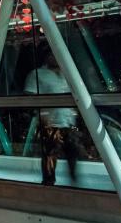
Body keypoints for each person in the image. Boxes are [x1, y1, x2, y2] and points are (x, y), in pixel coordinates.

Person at [24, 52, 83, 186]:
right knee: (50, 154)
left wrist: (74, 114)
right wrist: (43, 116)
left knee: (72, 151)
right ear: (48, 57)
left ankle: (74, 181)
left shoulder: (66, 74)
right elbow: (30, 97)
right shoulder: (37, 74)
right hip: (49, 123)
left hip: (67, 121)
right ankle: (49, 182)